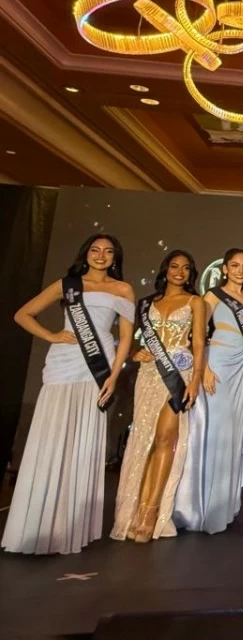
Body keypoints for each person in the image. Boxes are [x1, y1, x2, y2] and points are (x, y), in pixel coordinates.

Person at [5, 234, 134, 555]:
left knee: (81, 438)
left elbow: (126, 339)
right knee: (51, 436)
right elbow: (22, 314)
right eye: (95, 250)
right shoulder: (68, 285)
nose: (101, 256)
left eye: (108, 251)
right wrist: (51, 334)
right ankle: (36, 523)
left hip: (97, 367)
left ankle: (69, 526)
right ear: (86, 253)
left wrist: (115, 376)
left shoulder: (123, 289)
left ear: (115, 257)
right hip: (63, 364)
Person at [111, 250, 206, 542]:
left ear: (191, 274)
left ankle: (151, 511)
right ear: (165, 270)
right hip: (149, 375)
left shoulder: (195, 302)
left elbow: (200, 344)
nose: (179, 272)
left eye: (186, 268)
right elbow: (132, 340)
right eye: (174, 266)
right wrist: (135, 353)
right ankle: (135, 509)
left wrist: (195, 383)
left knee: (166, 439)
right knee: (145, 440)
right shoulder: (145, 304)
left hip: (179, 377)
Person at [174, 248, 243, 534]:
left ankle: (222, 505)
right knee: (213, 433)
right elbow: (194, 334)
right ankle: (198, 506)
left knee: (232, 436)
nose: (240, 270)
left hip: (241, 369)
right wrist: (204, 369)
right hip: (218, 366)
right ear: (224, 269)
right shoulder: (211, 296)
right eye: (234, 265)